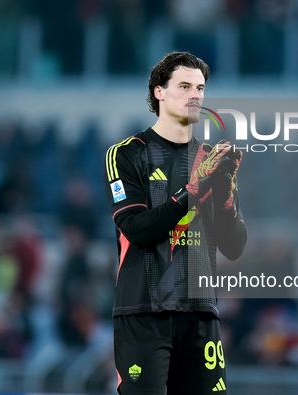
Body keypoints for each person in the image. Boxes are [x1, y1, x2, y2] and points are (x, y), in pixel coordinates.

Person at [103, 51, 247, 394]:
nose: (195, 95)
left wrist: (225, 196)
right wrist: (194, 190)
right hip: (143, 312)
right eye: (184, 86)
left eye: (199, 88)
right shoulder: (127, 153)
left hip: (200, 314)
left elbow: (234, 246)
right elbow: (137, 230)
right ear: (159, 92)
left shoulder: (212, 159)